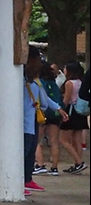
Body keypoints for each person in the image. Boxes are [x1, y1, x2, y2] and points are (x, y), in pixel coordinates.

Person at [24, 55, 69, 193]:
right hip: (28, 121)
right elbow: (44, 100)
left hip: (32, 121)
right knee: (27, 150)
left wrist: (57, 108)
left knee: (30, 150)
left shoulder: (33, 82)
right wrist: (58, 108)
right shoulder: (29, 82)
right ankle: (23, 180)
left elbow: (44, 99)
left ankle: (27, 179)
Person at [58, 61, 88, 174]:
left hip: (70, 112)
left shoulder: (69, 83)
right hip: (80, 112)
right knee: (77, 140)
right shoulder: (80, 82)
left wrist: (60, 109)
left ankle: (79, 162)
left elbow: (66, 100)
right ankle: (78, 164)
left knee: (64, 140)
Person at [33, 62, 62, 175]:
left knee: (37, 140)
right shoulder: (54, 83)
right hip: (55, 114)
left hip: (42, 113)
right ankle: (54, 168)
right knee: (54, 142)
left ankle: (40, 164)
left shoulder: (39, 83)